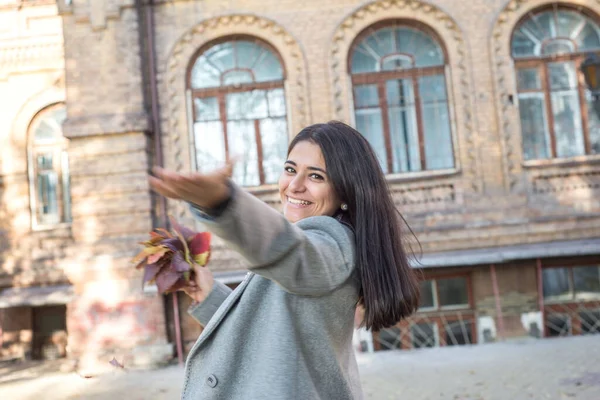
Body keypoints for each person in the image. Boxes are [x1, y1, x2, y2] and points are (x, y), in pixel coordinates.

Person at [148, 121, 421, 400]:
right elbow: (273, 332)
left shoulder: (334, 246)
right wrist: (210, 295)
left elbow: (291, 252)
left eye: (316, 177)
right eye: (290, 170)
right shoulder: (316, 245)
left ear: (346, 191)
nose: (294, 185)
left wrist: (222, 204)